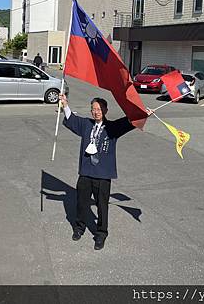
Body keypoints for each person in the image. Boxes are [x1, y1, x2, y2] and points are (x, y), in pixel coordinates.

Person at [59, 93, 149, 250]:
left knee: (102, 206)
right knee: (81, 203)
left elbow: (128, 122)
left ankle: (101, 234)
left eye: (99, 109)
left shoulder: (112, 128)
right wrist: (65, 104)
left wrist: (143, 113)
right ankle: (79, 228)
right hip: (86, 173)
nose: (96, 112)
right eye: (93, 109)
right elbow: (72, 120)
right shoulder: (86, 125)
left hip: (103, 176)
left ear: (105, 110)